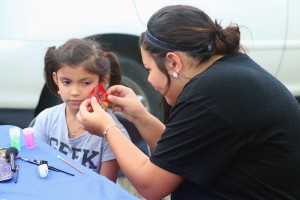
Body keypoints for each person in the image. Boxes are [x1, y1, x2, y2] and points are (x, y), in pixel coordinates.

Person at [77, 5, 300, 200]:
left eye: (149, 69)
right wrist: (140, 116)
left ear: (173, 62)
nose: (149, 79)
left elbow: (151, 186)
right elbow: (178, 155)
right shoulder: (227, 74)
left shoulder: (212, 93)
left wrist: (108, 127)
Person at [33, 38, 130, 182]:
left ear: (102, 81)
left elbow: (105, 188)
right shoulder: (46, 119)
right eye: (66, 82)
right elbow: (36, 167)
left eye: (85, 83)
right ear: (56, 79)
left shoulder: (112, 132)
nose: (74, 92)